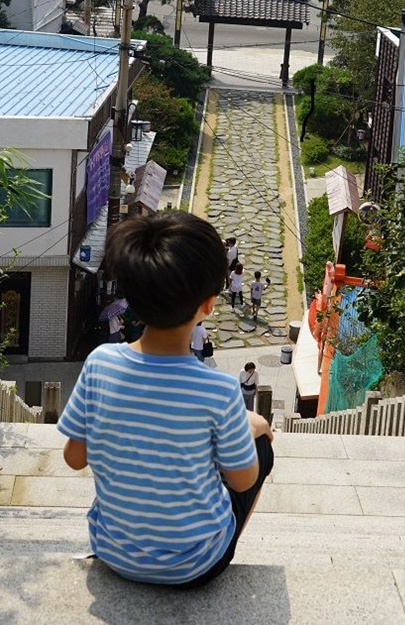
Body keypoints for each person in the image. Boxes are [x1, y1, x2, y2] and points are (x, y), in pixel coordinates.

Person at [58, 212, 274, 588]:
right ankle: (217, 542)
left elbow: (74, 458)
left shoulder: (100, 363)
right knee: (263, 444)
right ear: (208, 305)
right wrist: (250, 424)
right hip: (194, 569)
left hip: (113, 552)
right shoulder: (219, 391)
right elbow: (242, 481)